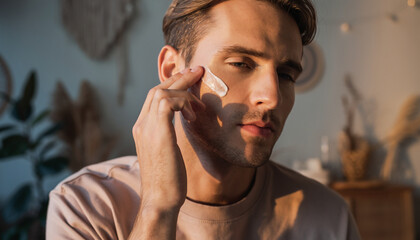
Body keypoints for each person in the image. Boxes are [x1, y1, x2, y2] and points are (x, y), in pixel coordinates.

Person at [46, 0, 361, 239]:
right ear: (172, 70)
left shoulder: (329, 219)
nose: (273, 97)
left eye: (286, 74)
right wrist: (157, 209)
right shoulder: (85, 207)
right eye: (240, 63)